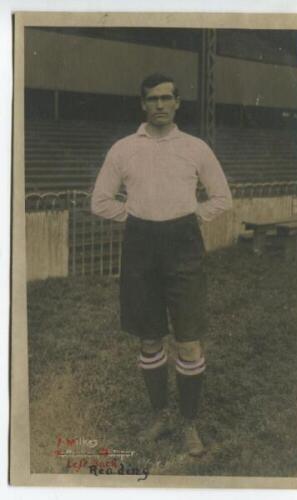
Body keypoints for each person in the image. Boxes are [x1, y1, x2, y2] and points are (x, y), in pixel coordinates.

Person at [91, 73, 232, 457]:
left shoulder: (195, 147)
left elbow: (221, 197)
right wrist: (134, 215)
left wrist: (190, 217)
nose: (159, 105)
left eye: (166, 98)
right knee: (149, 336)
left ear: (177, 102)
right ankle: (159, 415)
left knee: (188, 340)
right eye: (152, 99)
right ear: (142, 104)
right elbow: (100, 201)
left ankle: (188, 422)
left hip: (184, 246)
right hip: (141, 247)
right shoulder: (123, 149)